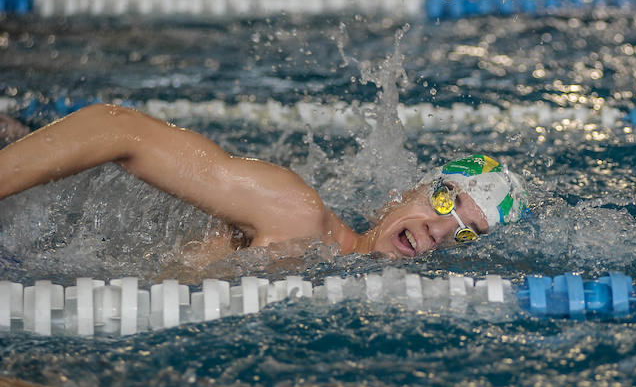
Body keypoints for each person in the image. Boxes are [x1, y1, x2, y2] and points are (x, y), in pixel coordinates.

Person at [0, 104, 528, 265]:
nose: (438, 230)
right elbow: (118, 128)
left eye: (464, 233)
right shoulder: (295, 214)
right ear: (402, 195)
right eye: (444, 201)